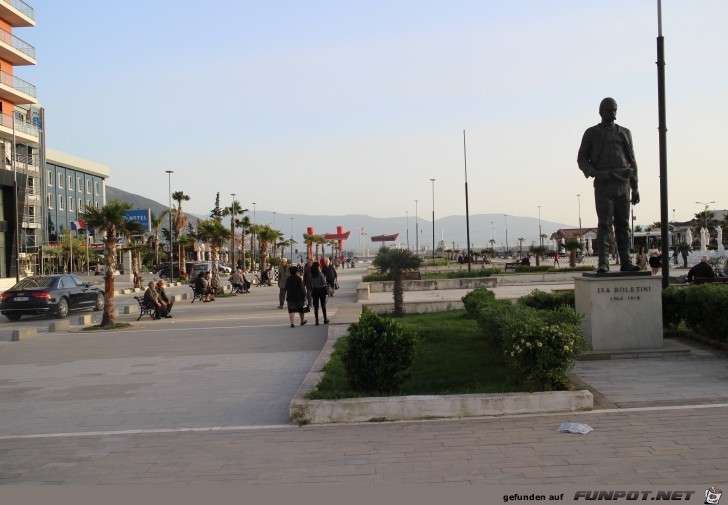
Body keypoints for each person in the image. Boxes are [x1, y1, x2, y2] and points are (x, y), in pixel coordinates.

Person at [577, 97, 641, 273]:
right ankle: (603, 263)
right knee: (605, 224)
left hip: (623, 183)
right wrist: (596, 173)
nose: (612, 113)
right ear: (600, 112)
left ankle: (626, 261)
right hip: (604, 183)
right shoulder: (592, 132)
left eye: (614, 110)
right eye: (608, 110)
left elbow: (632, 160)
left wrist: (635, 187)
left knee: (623, 225)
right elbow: (582, 159)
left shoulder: (625, 132)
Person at [309, 261, 329, 325]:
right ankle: (325, 319)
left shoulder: (311, 274)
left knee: (316, 306)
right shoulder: (320, 274)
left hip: (315, 290)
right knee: (323, 305)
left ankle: (316, 320)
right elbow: (324, 283)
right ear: (318, 267)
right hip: (321, 290)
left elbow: (311, 283)